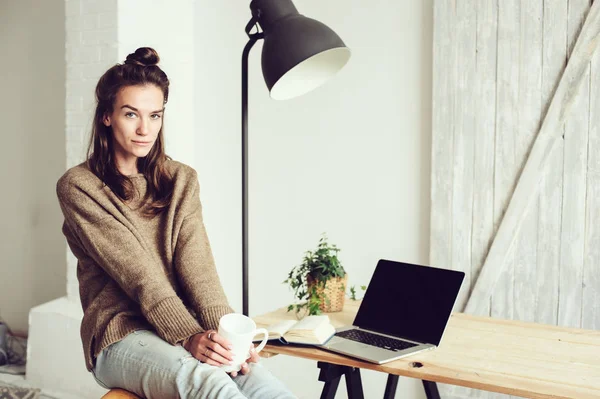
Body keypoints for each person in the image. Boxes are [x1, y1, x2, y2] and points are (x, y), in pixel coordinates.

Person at [56, 47, 296, 399]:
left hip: (186, 328)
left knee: (263, 385)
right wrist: (189, 336)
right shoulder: (80, 186)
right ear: (107, 116)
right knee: (208, 383)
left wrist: (228, 338)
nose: (144, 129)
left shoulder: (182, 179)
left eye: (155, 115)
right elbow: (140, 275)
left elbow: (199, 270)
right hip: (121, 334)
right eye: (130, 114)